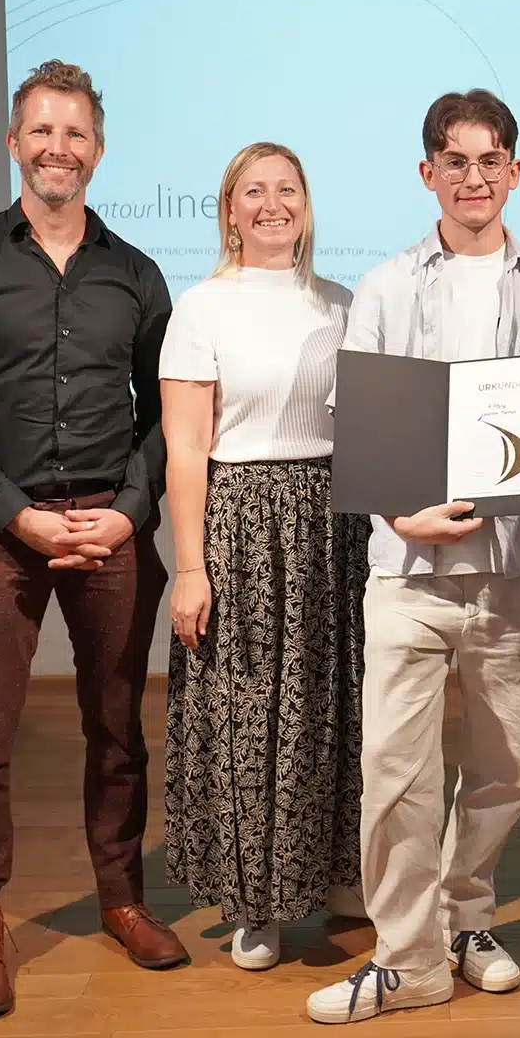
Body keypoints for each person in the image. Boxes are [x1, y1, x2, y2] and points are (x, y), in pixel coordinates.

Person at [305, 88, 520, 1026]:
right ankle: (408, 960)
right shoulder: (389, 286)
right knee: (396, 774)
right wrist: (403, 513)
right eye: (457, 161)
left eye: (491, 159)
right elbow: (357, 421)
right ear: (428, 172)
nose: (476, 177)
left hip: (516, 565)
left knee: (507, 768)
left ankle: (468, 919)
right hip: (408, 569)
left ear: (515, 171)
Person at [0, 59, 189, 1020]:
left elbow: (169, 414)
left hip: (111, 523)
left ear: (97, 151)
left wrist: (131, 510)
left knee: (116, 729)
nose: (57, 148)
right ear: (14, 142)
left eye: (75, 133)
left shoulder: (137, 274)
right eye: (42, 131)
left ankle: (121, 897)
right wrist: (16, 514)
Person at [156, 141, 369, 971]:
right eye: (254, 191)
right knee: (247, 709)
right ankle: (256, 900)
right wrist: (190, 566)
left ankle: (338, 874)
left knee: (332, 702)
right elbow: (185, 448)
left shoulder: (344, 304)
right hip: (241, 526)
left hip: (334, 521)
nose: (272, 204)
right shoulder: (201, 308)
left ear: (306, 206)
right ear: (229, 210)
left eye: (287, 189)